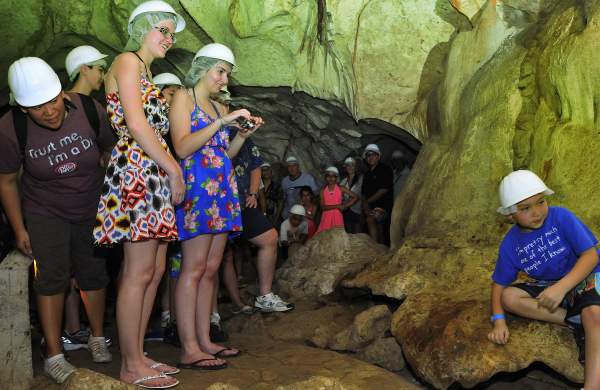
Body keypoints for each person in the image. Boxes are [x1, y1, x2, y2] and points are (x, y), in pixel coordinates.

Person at [0, 57, 114, 384]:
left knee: (94, 272)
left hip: (91, 206)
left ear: (62, 91)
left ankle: (95, 336)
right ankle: (53, 354)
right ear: (22, 109)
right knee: (51, 277)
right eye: (37, 107)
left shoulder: (89, 109)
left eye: (52, 101)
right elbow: (6, 181)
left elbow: (111, 149)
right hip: (44, 211)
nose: (48, 111)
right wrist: (19, 227)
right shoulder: (10, 130)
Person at [93, 1, 186, 387]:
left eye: (171, 32)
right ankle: (130, 364)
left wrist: (166, 169)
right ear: (140, 28)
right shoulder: (128, 61)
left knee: (155, 269)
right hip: (138, 168)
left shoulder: (145, 70)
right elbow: (134, 123)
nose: (168, 37)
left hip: (152, 169)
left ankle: (139, 353)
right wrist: (174, 168)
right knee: (138, 270)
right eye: (161, 29)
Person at [169, 43, 262, 370]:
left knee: (209, 269)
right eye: (220, 71)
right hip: (197, 193)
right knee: (193, 269)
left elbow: (227, 154)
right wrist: (221, 125)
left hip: (221, 192)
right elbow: (182, 148)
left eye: (227, 73)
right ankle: (188, 346)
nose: (225, 79)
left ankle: (206, 339)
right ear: (203, 68)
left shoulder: (221, 109)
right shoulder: (184, 98)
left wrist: (242, 134)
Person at [488, 170, 600, 389]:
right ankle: (573, 321)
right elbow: (498, 286)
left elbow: (591, 255)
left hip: (587, 273)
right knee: (509, 297)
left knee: (594, 314)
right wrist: (499, 320)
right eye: (525, 208)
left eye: (541, 202)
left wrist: (562, 288)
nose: (537, 212)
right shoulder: (510, 245)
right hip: (549, 284)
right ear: (510, 215)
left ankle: (592, 386)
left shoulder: (561, 217)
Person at [61, 44, 112, 352]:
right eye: (99, 69)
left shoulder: (88, 108)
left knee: (64, 272)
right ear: (84, 69)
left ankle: (72, 332)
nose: (103, 76)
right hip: (82, 203)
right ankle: (87, 334)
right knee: (85, 271)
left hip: (62, 204)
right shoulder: (92, 109)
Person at [361, 144, 393, 245]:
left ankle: (375, 248)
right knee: (372, 223)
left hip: (384, 206)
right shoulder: (367, 174)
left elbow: (383, 189)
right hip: (370, 207)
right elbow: (363, 193)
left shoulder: (385, 169)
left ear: (378, 156)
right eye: (368, 155)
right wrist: (366, 207)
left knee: (373, 221)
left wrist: (367, 202)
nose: (370, 157)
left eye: (373, 154)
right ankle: (378, 249)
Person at [316, 166, 357, 234]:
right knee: (324, 239)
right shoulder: (322, 191)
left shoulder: (341, 188)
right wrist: (338, 206)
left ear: (336, 178)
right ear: (325, 177)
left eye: (333, 176)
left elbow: (355, 197)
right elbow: (323, 207)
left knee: (338, 238)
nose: (330, 178)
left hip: (337, 216)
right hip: (326, 218)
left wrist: (345, 206)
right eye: (328, 176)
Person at [340, 157, 363, 234]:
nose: (350, 167)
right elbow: (341, 197)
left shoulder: (361, 179)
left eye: (352, 165)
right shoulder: (343, 182)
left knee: (358, 235)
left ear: (356, 168)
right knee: (349, 234)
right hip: (347, 212)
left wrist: (345, 205)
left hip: (358, 210)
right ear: (345, 168)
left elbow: (359, 195)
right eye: (348, 165)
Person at [261, 162, 283, 226]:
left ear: (271, 171)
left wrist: (276, 219)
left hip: (272, 216)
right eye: (263, 170)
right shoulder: (257, 185)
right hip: (259, 215)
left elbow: (280, 204)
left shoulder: (277, 186)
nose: (266, 172)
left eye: (267, 170)